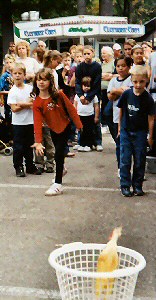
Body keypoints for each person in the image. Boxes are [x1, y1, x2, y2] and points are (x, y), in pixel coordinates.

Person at [32, 68, 82, 196]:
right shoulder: (37, 102)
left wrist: (79, 125)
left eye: (44, 79)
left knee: (58, 153)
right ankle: (61, 168)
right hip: (53, 129)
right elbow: (37, 122)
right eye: (39, 80)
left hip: (65, 126)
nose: (41, 82)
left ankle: (58, 184)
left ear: (50, 81)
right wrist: (38, 142)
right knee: (59, 153)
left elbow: (71, 109)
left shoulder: (59, 95)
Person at [117, 66, 155, 197]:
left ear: (146, 82)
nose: (138, 85)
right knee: (125, 160)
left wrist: (150, 135)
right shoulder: (127, 94)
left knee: (139, 160)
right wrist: (120, 128)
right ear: (131, 81)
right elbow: (121, 110)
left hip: (140, 133)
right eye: (135, 82)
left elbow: (151, 118)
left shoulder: (148, 98)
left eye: (141, 82)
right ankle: (125, 185)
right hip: (126, 132)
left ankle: (138, 186)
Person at [7, 63, 42, 177]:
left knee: (29, 145)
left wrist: (22, 104)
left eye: (20, 73)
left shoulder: (29, 88)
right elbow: (14, 109)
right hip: (18, 123)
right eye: (15, 74)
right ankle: (18, 166)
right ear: (12, 75)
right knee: (18, 146)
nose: (17, 76)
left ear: (24, 75)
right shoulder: (13, 91)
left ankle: (30, 166)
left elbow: (34, 103)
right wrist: (26, 104)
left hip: (29, 121)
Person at [107, 55, 133, 176]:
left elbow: (129, 92)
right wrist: (120, 91)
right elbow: (110, 96)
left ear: (129, 67)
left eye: (123, 66)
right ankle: (120, 167)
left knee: (131, 143)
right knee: (119, 143)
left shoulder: (132, 79)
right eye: (118, 66)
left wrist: (116, 91)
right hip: (117, 115)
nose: (121, 68)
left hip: (131, 115)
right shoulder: (113, 80)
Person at [75, 45, 103, 151]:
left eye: (88, 53)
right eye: (85, 54)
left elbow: (96, 83)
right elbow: (78, 82)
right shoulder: (80, 67)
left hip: (94, 94)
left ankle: (98, 142)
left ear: (93, 53)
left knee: (95, 120)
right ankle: (81, 142)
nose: (87, 55)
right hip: (82, 95)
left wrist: (89, 97)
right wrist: (81, 95)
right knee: (82, 121)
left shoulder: (97, 66)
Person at [74, 76, 99, 152]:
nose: (86, 88)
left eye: (88, 86)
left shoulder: (93, 96)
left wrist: (96, 117)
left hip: (89, 115)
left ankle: (88, 145)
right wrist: (74, 115)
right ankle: (81, 143)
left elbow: (96, 106)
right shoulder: (78, 95)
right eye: (85, 86)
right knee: (80, 130)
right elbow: (75, 105)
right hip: (80, 115)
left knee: (88, 131)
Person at [0, 55, 15, 143]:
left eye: (10, 62)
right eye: (7, 63)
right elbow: (0, 90)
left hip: (18, 100)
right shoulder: (4, 76)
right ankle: (10, 138)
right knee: (9, 118)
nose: (9, 65)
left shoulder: (18, 73)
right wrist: (10, 92)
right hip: (8, 101)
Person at [100, 46, 115, 132]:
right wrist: (106, 75)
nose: (102, 55)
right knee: (104, 107)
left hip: (111, 90)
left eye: (104, 53)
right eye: (102, 53)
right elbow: (100, 75)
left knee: (108, 109)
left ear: (109, 54)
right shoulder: (102, 64)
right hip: (102, 90)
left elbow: (113, 76)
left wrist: (108, 76)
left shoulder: (113, 63)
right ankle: (105, 125)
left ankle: (110, 124)